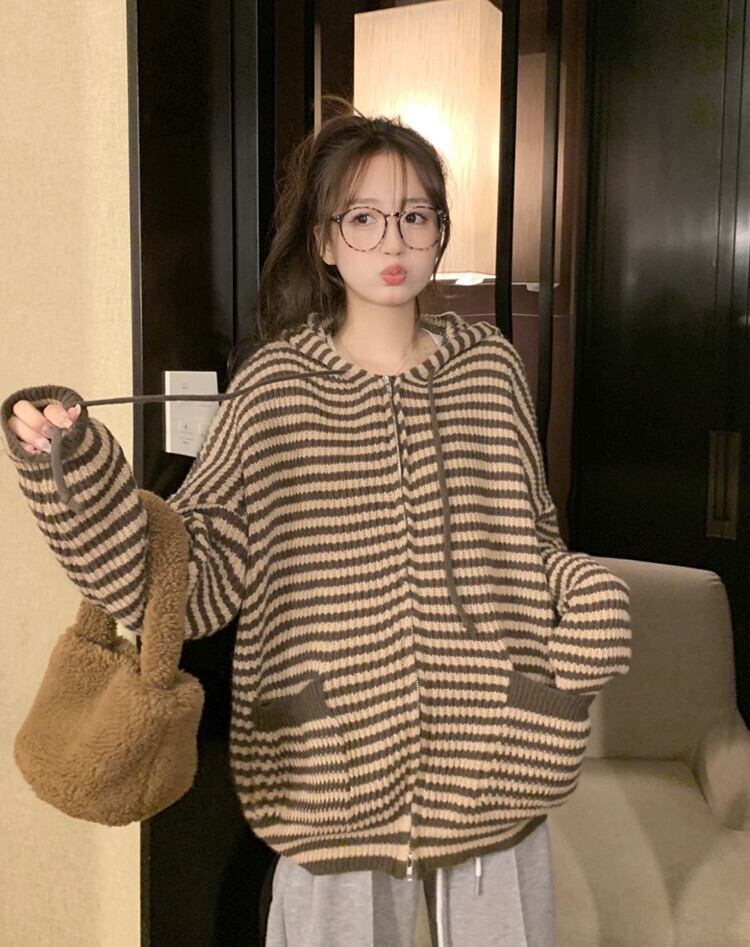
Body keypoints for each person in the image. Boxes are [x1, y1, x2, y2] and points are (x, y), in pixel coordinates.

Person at [1, 98, 632, 947]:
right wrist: (75, 473)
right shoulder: (274, 388)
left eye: (415, 216)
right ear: (325, 241)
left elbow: (532, 541)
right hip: (326, 760)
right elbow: (191, 583)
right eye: (363, 218)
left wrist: (585, 597)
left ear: (441, 231)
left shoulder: (490, 369)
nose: (393, 241)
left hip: (500, 745)